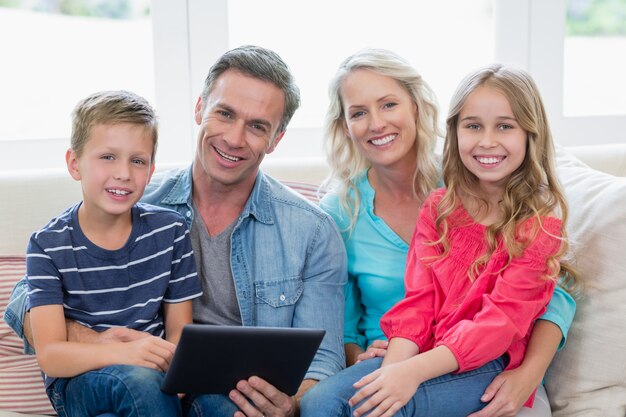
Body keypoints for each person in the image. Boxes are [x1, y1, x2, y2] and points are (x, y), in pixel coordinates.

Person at [5, 46, 347, 417]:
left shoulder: (311, 231)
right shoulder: (130, 198)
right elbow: (23, 297)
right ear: (200, 108)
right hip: (136, 380)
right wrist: (102, 341)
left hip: (222, 391)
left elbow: (325, 358)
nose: (234, 138)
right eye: (225, 113)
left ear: (276, 138)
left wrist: (291, 405)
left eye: (256, 126)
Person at [303, 60, 578, 417]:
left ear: (416, 107)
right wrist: (388, 372)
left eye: (388, 104)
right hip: (405, 352)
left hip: (483, 361)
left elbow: (541, 300)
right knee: (321, 403)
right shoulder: (428, 208)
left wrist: (530, 372)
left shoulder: (469, 182)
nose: (376, 122)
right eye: (359, 112)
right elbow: (417, 300)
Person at [23, 90, 203, 416]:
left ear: (150, 171)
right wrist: (127, 354)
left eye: (137, 160)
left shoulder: (170, 230)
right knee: (140, 382)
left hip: (152, 372)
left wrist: (176, 371)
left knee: (218, 401)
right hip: (79, 380)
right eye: (108, 157)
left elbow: (179, 329)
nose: (123, 172)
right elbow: (50, 354)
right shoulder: (47, 245)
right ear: (74, 164)